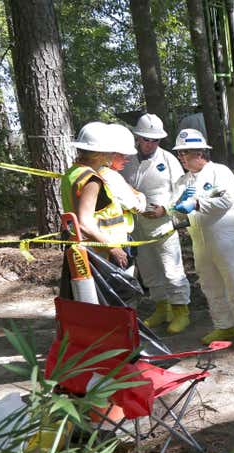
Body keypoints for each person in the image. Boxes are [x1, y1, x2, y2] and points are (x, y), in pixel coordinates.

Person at [170, 128, 234, 350]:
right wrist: (176, 209)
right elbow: (176, 209)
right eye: (179, 154)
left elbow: (226, 200)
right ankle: (224, 326)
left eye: (185, 153)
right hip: (200, 241)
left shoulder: (220, 172)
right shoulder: (183, 181)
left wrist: (198, 203)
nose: (181, 158)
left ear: (199, 153)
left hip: (225, 238)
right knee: (210, 285)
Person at [121, 113, 191, 334]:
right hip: (136, 225)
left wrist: (166, 209)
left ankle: (181, 311)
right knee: (149, 271)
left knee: (172, 270)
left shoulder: (169, 160)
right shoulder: (126, 160)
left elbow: (183, 191)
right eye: (146, 139)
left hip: (163, 226)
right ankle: (163, 309)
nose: (150, 144)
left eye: (155, 140)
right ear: (137, 137)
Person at [60, 122, 131, 271]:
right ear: (100, 153)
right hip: (101, 254)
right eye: (111, 150)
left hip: (85, 250)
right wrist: (112, 248)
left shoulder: (73, 173)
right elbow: (84, 223)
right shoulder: (91, 179)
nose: (113, 154)